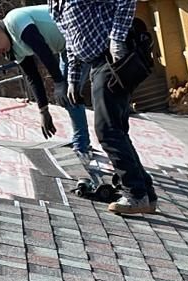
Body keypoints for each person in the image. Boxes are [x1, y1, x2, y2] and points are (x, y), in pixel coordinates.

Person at [54, 0, 156, 215]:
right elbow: (72, 42)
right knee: (115, 129)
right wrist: (73, 79)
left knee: (107, 130)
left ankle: (136, 195)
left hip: (113, 61)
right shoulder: (55, 5)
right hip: (96, 66)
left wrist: (117, 39)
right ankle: (145, 193)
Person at [0, 9, 93, 157]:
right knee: (68, 93)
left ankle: (82, 146)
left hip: (82, 34)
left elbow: (43, 51)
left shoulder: (16, 21)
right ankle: (82, 141)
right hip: (66, 47)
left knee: (69, 92)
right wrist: (43, 111)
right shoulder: (13, 49)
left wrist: (59, 82)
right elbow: (32, 76)